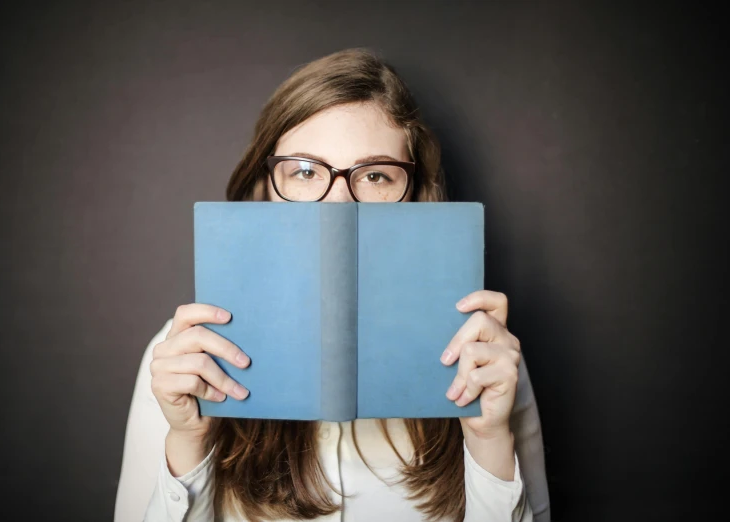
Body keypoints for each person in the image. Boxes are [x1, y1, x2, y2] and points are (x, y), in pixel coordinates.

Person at [115, 48, 550, 522]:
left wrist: (489, 443)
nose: (339, 204)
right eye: (305, 171)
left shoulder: (486, 358)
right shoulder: (184, 358)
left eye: (377, 175)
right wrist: (187, 443)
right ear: (265, 187)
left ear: (417, 196)